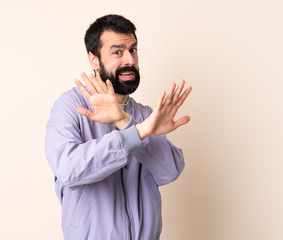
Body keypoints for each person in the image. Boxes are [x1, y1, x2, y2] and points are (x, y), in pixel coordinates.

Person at [45, 14, 192, 240]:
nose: (130, 60)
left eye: (132, 50)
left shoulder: (144, 114)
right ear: (94, 59)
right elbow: (68, 169)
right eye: (117, 52)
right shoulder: (70, 107)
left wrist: (126, 123)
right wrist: (137, 133)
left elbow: (170, 171)